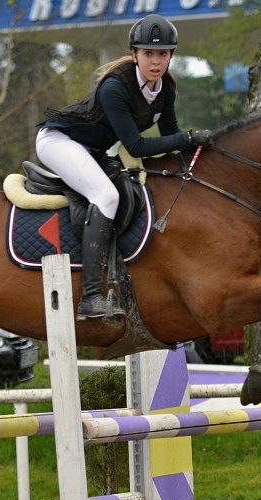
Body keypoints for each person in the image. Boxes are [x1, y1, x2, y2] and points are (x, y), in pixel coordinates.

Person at [37, 14, 214, 322]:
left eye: (162, 53)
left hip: (96, 150)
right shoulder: (115, 88)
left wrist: (199, 149)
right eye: (148, 53)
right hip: (59, 141)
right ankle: (91, 297)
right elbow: (136, 146)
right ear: (135, 55)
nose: (156, 61)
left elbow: (171, 139)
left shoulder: (166, 90)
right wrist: (187, 137)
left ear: (171, 55)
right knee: (106, 197)